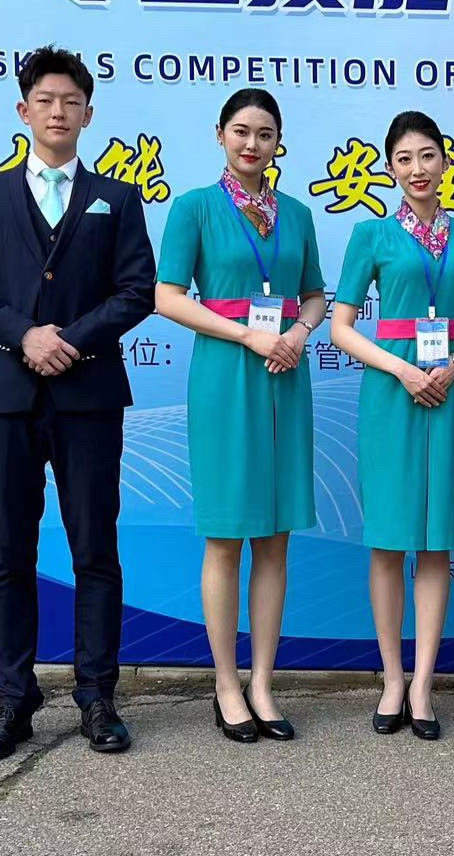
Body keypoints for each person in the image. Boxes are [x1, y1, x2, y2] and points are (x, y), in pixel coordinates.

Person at [0, 45, 154, 760]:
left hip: (88, 396)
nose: (58, 112)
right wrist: (23, 334)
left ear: (89, 114)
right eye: (46, 100)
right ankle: (14, 699)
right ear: (23, 110)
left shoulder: (117, 197)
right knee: (10, 551)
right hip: (5, 397)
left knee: (95, 549)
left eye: (72, 102)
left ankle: (97, 696)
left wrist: (70, 341)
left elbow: (136, 290)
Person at [152, 88, 328, 744]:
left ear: (279, 142)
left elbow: (314, 295)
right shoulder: (194, 208)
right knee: (226, 536)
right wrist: (247, 335)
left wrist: (298, 333)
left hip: (286, 376)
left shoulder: (297, 214)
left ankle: (262, 683)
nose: (253, 144)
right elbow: (167, 297)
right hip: (226, 375)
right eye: (242, 131)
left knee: (276, 537)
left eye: (265, 134)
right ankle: (226, 684)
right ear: (220, 134)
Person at [326, 111, 454, 741]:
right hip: (390, 394)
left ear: (444, 161)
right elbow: (341, 328)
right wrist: (402, 370)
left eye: (427, 156)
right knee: (389, 542)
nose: (417, 169)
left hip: (447, 391)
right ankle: (392, 679)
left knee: (436, 541)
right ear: (390, 167)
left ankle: (423, 684)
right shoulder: (370, 234)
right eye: (403, 159)